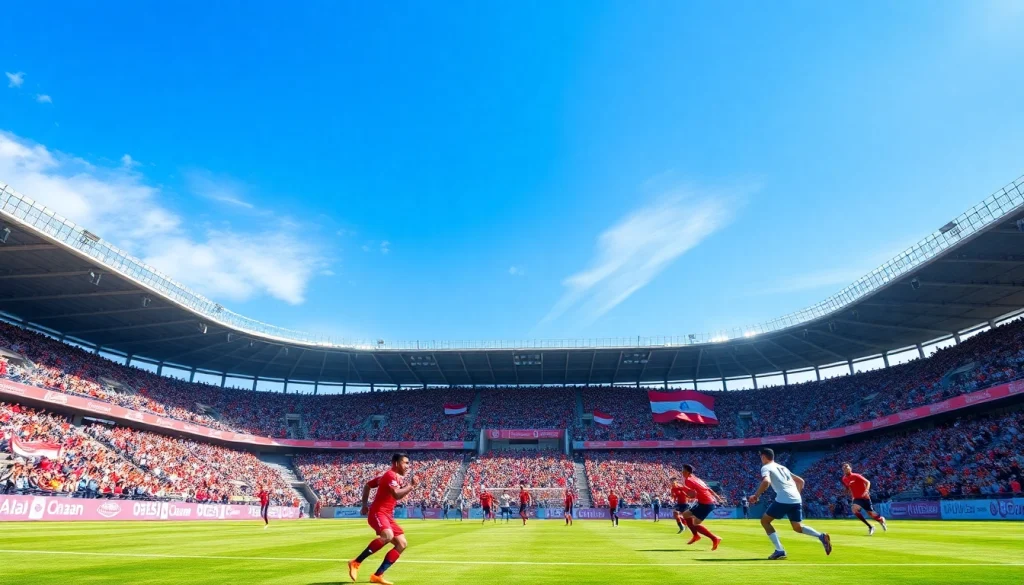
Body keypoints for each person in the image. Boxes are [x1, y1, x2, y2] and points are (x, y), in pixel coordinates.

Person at [348, 453, 419, 585]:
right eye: (405, 463)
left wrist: (364, 504)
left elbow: (368, 485)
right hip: (378, 513)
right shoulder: (390, 475)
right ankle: (356, 562)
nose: (408, 466)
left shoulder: (389, 477)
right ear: (397, 463)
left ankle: (377, 575)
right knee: (387, 535)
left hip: (387, 515)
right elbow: (396, 495)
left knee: (402, 544)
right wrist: (411, 486)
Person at [749, 448, 831, 561]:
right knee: (797, 527)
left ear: (763, 457)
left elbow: (766, 481)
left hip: (784, 498)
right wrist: (796, 495)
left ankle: (779, 550)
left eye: (761, 456)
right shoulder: (783, 467)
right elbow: (801, 481)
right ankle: (821, 536)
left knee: (765, 521)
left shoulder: (766, 467)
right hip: (796, 499)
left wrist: (756, 495)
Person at [679, 464, 724, 550]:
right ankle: (696, 536)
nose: (681, 472)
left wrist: (683, 490)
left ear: (687, 472)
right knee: (685, 515)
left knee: (695, 524)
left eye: (683, 471)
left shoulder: (689, 480)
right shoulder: (696, 478)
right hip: (705, 502)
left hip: (706, 504)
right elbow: (708, 488)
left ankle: (715, 538)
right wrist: (717, 496)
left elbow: (692, 495)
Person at [841, 462, 887, 535]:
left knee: (871, 514)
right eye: (844, 467)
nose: (845, 468)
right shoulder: (844, 479)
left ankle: (881, 520)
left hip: (865, 497)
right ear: (842, 470)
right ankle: (870, 526)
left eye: (847, 467)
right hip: (856, 498)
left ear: (850, 468)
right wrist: (845, 491)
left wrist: (866, 491)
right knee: (854, 509)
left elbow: (868, 482)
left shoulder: (856, 476)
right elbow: (847, 487)